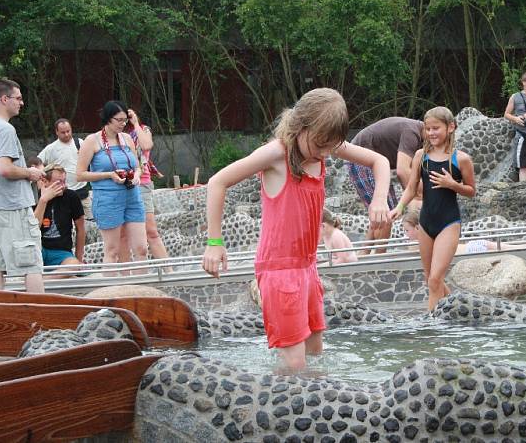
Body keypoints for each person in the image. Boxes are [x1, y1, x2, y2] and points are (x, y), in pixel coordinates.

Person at [202, 88, 391, 372]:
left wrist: (378, 198)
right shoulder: (276, 154)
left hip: (307, 268)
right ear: (301, 128)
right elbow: (217, 182)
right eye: (320, 146)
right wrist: (214, 242)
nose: (326, 154)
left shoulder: (323, 145)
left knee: (315, 352)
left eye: (331, 147)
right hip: (279, 272)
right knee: (295, 363)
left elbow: (381, 162)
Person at [390, 107, 476, 311]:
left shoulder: (461, 159)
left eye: (436, 128)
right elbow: (411, 188)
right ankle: (457, 309)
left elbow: (472, 191)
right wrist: (399, 207)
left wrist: (452, 184)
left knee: (435, 279)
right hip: (426, 223)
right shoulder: (421, 156)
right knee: (430, 278)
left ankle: (432, 326)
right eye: (428, 129)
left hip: (449, 222)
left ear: (451, 127)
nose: (431, 133)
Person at [0, 78, 46, 293]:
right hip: (12, 206)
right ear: (4, 99)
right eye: (18, 98)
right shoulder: (5, 130)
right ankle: (40, 321)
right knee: (32, 264)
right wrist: (31, 173)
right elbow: (5, 169)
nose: (22, 103)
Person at [76, 101, 147, 272]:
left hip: (132, 196)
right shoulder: (92, 141)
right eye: (119, 120)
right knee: (112, 250)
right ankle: (111, 293)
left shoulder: (128, 138)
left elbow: (138, 166)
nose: (123, 124)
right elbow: (79, 174)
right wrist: (108, 175)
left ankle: (142, 290)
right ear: (108, 119)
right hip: (107, 198)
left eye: (125, 120)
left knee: (141, 249)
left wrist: (137, 174)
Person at [346, 117, 423, 253]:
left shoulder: (420, 141)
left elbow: (413, 177)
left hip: (378, 164)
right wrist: (415, 199)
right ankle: (379, 258)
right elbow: (403, 171)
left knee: (386, 212)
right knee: (384, 213)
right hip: (362, 157)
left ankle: (364, 255)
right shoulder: (412, 133)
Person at [118, 108, 168, 262]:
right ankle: (127, 275)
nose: (124, 120)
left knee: (151, 231)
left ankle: (169, 270)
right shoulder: (115, 135)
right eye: (120, 118)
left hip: (142, 183)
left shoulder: (143, 129)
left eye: (127, 117)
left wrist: (135, 123)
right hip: (121, 184)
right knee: (123, 234)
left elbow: (146, 146)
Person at [34, 164, 86, 277]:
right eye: (59, 182)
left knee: (74, 266)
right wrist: (43, 200)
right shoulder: (34, 197)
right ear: (45, 181)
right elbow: (33, 228)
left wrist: (78, 258)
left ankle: (43, 281)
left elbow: (81, 229)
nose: (64, 186)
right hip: (38, 249)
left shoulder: (71, 197)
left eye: (64, 181)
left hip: (61, 252)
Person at [38, 118, 92, 220]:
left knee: (90, 222)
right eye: (63, 132)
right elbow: (38, 162)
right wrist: (43, 180)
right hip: (62, 193)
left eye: (68, 131)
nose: (66, 134)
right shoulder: (51, 148)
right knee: (65, 223)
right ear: (56, 132)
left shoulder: (80, 143)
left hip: (82, 192)